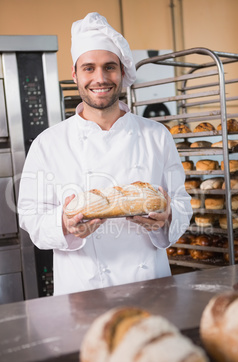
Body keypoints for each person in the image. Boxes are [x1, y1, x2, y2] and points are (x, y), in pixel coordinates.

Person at [18, 12, 192, 296]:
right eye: (89, 68)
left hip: (151, 287)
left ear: (122, 73)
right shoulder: (48, 143)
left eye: (109, 67)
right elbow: (30, 216)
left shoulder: (156, 136)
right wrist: (64, 223)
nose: (100, 78)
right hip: (83, 291)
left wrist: (169, 214)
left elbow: (183, 203)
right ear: (75, 75)